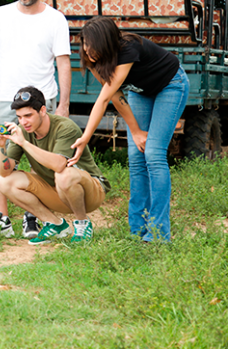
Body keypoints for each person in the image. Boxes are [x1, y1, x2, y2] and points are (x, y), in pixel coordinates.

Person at [70, 17, 189, 242]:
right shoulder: (93, 60)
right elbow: (115, 96)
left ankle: (158, 232)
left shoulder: (128, 49)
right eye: (84, 44)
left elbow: (102, 99)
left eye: (92, 45)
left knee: (153, 154)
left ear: (105, 42)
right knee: (135, 155)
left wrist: (85, 137)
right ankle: (137, 229)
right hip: (141, 92)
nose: (87, 50)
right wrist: (134, 131)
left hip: (171, 85)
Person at [0, 0, 71, 238]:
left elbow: (63, 64)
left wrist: (64, 105)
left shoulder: (56, 19)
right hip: (4, 99)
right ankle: (1, 217)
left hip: (42, 101)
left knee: (38, 159)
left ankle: (32, 216)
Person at [0, 86, 109, 245]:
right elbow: (5, 172)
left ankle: (82, 223)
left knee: (64, 174)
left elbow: (59, 165)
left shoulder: (65, 127)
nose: (23, 122)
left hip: (90, 192)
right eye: (19, 117)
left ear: (42, 110)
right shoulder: (22, 131)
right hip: (57, 191)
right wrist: (1, 147)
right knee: (4, 181)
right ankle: (55, 225)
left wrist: (24, 143)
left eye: (28, 115)